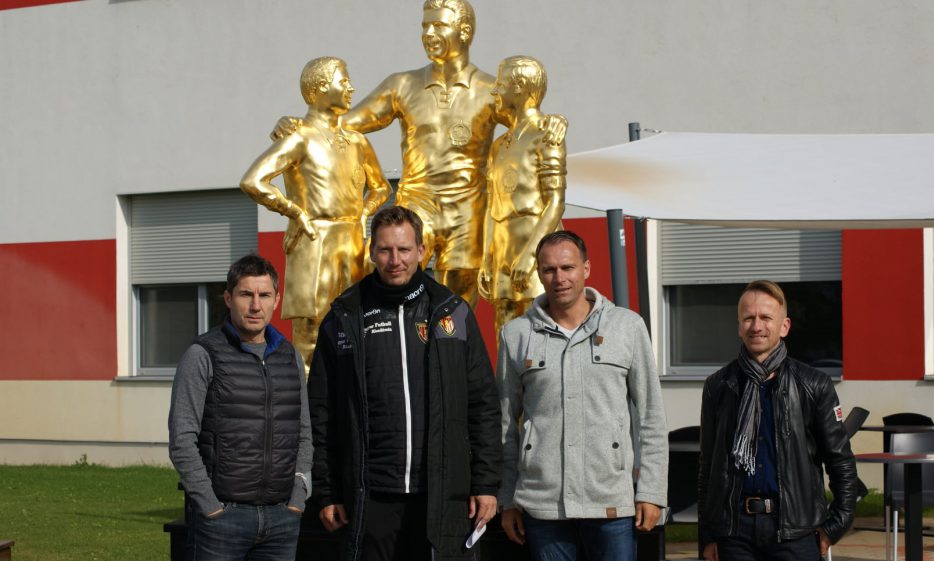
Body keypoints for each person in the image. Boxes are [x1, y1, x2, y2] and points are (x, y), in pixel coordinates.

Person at [273, 0, 565, 309]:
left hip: (467, 210)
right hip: (417, 203)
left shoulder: (489, 90)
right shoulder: (402, 85)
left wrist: (552, 122)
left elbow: (525, 125)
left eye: (439, 25)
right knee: (388, 275)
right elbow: (345, 124)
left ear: (465, 32)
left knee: (457, 306)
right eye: (425, 26)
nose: (428, 33)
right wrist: (301, 125)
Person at [307, 205, 501, 561]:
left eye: (404, 249)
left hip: (440, 493)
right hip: (371, 495)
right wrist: (327, 491)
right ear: (371, 252)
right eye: (385, 250)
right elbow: (321, 413)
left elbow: (483, 405)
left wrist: (486, 484)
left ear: (422, 251)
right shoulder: (343, 318)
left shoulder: (453, 312)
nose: (395, 260)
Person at [495, 230, 669, 561]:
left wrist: (651, 491)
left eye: (568, 267)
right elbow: (504, 426)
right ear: (538, 273)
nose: (559, 278)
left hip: (611, 501)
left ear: (586, 268)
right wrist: (507, 498)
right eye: (549, 270)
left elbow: (651, 417)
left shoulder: (626, 327)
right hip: (543, 504)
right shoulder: (516, 335)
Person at [241, 57, 390, 372]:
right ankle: (306, 404)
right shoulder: (299, 137)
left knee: (359, 330)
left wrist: (363, 215)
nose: (351, 87)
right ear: (321, 87)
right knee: (311, 336)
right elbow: (253, 181)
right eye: (343, 80)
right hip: (314, 242)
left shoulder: (358, 142)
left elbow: (381, 188)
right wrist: (294, 212)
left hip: (352, 246)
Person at [698, 280, 858, 561]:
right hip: (734, 536)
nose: (756, 326)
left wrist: (835, 526)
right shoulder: (719, 386)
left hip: (795, 534)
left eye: (766, 317)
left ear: (784, 326)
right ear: (739, 326)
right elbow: (708, 467)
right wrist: (708, 535)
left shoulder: (813, 385)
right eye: (748, 318)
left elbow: (840, 461)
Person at [168, 254, 312, 561]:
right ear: (228, 298)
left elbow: (303, 433)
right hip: (222, 520)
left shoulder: (290, 356)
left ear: (277, 300)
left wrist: (298, 497)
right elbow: (181, 438)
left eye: (265, 295)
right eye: (246, 294)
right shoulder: (202, 354)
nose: (256, 305)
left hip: (281, 519)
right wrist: (209, 505)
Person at [479, 55, 566, 337]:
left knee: (539, 329)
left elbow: (555, 202)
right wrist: (487, 258)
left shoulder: (546, 134)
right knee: (503, 331)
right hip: (503, 247)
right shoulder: (498, 146)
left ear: (519, 87)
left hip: (534, 243)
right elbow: (491, 206)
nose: (495, 91)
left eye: (500, 84)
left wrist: (531, 257)